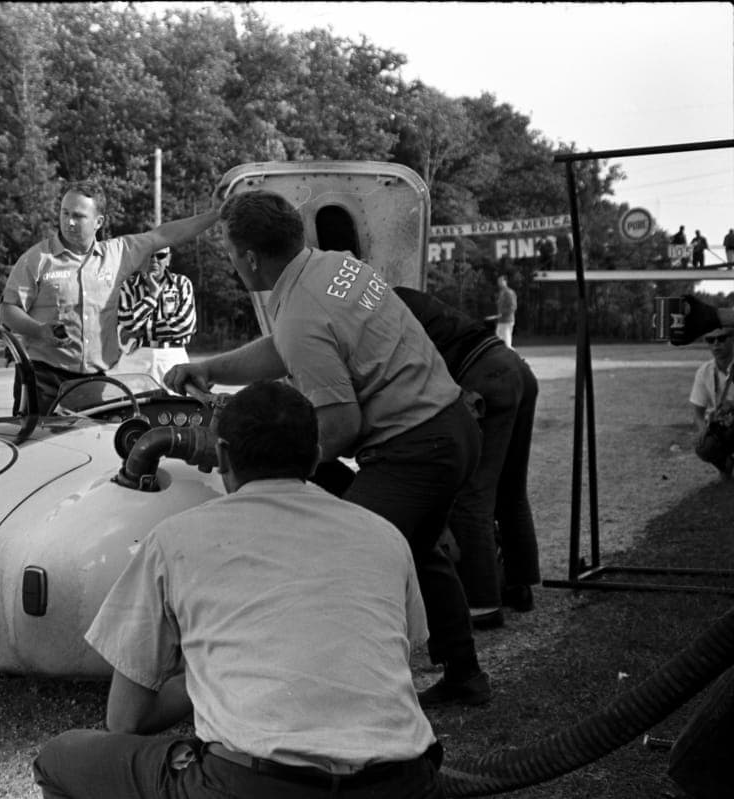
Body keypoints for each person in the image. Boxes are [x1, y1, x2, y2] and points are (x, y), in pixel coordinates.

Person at [33, 381, 445, 799]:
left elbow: (124, 720)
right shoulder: (384, 535)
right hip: (405, 782)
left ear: (223, 454)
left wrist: (211, 677)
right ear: (318, 456)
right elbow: (396, 655)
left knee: (59, 758)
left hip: (255, 785)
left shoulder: (175, 539)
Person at [164, 190, 488, 707]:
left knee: (344, 553)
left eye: (229, 254)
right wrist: (212, 368)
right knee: (420, 549)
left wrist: (276, 464)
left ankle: (349, 693)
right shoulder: (332, 267)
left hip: (416, 446)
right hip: (452, 426)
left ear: (250, 257)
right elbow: (284, 348)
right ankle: (464, 676)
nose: (231, 266)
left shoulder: (300, 314)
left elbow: (339, 425)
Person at [0, 181, 218, 415]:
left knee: (92, 447)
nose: (69, 222)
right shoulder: (36, 259)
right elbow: (7, 310)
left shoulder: (117, 254)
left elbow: (164, 235)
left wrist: (216, 214)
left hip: (96, 381)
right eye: (65, 213)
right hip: (43, 378)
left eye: (79, 216)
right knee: (38, 448)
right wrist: (39, 330)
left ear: (99, 222)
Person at [395, 287, 540, 627]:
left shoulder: (377, 308)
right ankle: (520, 585)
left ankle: (482, 604)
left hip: (485, 375)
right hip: (514, 367)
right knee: (510, 488)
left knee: (471, 494)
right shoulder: (400, 294)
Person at [115, 246, 197, 388]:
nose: (154, 260)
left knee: (176, 406)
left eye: (160, 256)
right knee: (130, 406)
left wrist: (141, 330)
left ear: (168, 259)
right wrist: (152, 296)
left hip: (172, 357)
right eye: (149, 255)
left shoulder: (182, 284)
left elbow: (184, 325)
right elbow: (127, 321)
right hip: (135, 357)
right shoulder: (127, 286)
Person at [689, 325, 733, 477]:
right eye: (710, 340)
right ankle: (727, 466)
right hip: (722, 426)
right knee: (704, 446)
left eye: (721, 338)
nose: (716, 344)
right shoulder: (704, 372)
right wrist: (702, 429)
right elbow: (697, 411)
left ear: (732, 339)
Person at [488, 274, 517, 348]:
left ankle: (512, 357)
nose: (499, 282)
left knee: (507, 343)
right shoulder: (501, 293)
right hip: (501, 321)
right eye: (498, 281)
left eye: (501, 280)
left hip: (507, 320)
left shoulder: (509, 293)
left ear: (505, 281)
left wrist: (502, 314)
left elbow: (513, 307)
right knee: (498, 341)